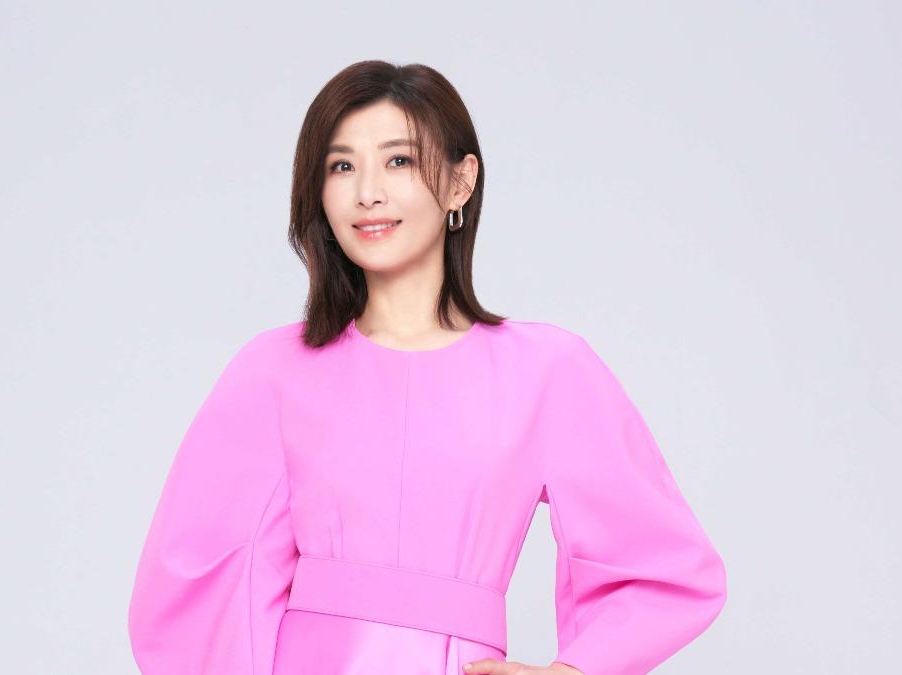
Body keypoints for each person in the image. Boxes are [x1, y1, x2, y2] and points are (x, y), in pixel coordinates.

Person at [126, 60, 727, 675]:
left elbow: (665, 569)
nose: (368, 192)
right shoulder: (273, 371)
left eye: (399, 160)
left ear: (461, 182)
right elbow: (195, 581)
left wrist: (576, 672)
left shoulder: (548, 371)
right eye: (341, 166)